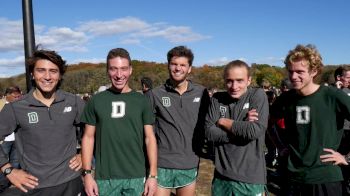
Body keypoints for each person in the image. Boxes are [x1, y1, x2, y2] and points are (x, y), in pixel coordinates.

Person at [0, 49, 85, 195]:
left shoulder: (74, 102)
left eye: (53, 71)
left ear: (60, 75)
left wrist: (84, 154)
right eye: (41, 70)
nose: (47, 77)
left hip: (72, 181)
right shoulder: (16, 108)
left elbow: (94, 131)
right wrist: (8, 170)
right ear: (32, 74)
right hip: (36, 186)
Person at [270, 44, 350, 196]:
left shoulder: (333, 96)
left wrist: (345, 157)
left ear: (314, 71)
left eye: (300, 72)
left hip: (325, 178)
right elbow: (269, 122)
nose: (293, 77)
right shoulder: (285, 99)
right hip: (292, 178)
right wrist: (280, 146)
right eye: (290, 71)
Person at [81, 48, 157, 196]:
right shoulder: (96, 100)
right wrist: (87, 174)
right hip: (105, 178)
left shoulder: (142, 100)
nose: (119, 75)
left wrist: (153, 176)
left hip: (136, 175)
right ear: (107, 71)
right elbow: (88, 138)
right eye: (113, 69)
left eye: (123, 69)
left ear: (130, 70)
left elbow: (150, 138)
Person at [146, 46, 209, 196]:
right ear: (168, 65)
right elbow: (145, 129)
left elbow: (213, 119)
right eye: (174, 64)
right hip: (162, 163)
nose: (178, 68)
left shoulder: (201, 92)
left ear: (189, 68)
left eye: (182, 65)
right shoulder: (155, 94)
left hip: (189, 162)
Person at [204, 60, 269, 195]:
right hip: (221, 176)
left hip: (250, 178)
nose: (234, 86)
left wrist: (223, 122)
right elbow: (209, 132)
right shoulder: (217, 98)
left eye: (239, 80)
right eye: (229, 81)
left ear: (249, 80)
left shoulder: (257, 95)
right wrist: (241, 126)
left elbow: (253, 131)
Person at [0, 86, 22, 192]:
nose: (17, 98)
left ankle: (11, 181)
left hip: (17, 140)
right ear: (7, 95)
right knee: (2, 162)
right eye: (15, 96)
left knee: (15, 161)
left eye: (19, 96)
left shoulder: (19, 106)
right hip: (4, 140)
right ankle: (2, 184)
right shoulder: (1, 105)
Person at [333, 66, 350, 195]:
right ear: (339, 78)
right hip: (340, 132)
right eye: (348, 77)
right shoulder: (332, 92)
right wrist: (337, 90)